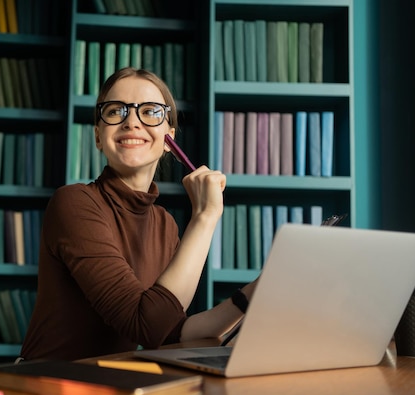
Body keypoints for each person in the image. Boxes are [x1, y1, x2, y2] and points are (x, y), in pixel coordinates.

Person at [20, 67, 256, 361]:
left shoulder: (165, 224)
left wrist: (254, 293)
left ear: (169, 138)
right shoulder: (73, 202)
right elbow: (145, 325)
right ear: (98, 135)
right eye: (116, 110)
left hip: (108, 389)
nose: (132, 121)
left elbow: (170, 331)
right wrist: (205, 218)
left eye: (151, 112)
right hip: (46, 388)